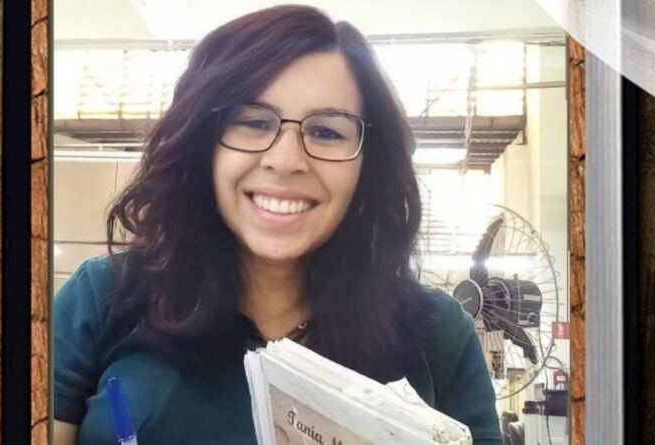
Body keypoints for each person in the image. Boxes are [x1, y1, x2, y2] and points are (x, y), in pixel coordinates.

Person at [53, 4, 502, 444]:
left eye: (327, 131)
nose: (285, 160)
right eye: (253, 122)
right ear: (204, 145)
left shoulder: (439, 334)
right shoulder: (102, 298)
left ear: (368, 166)